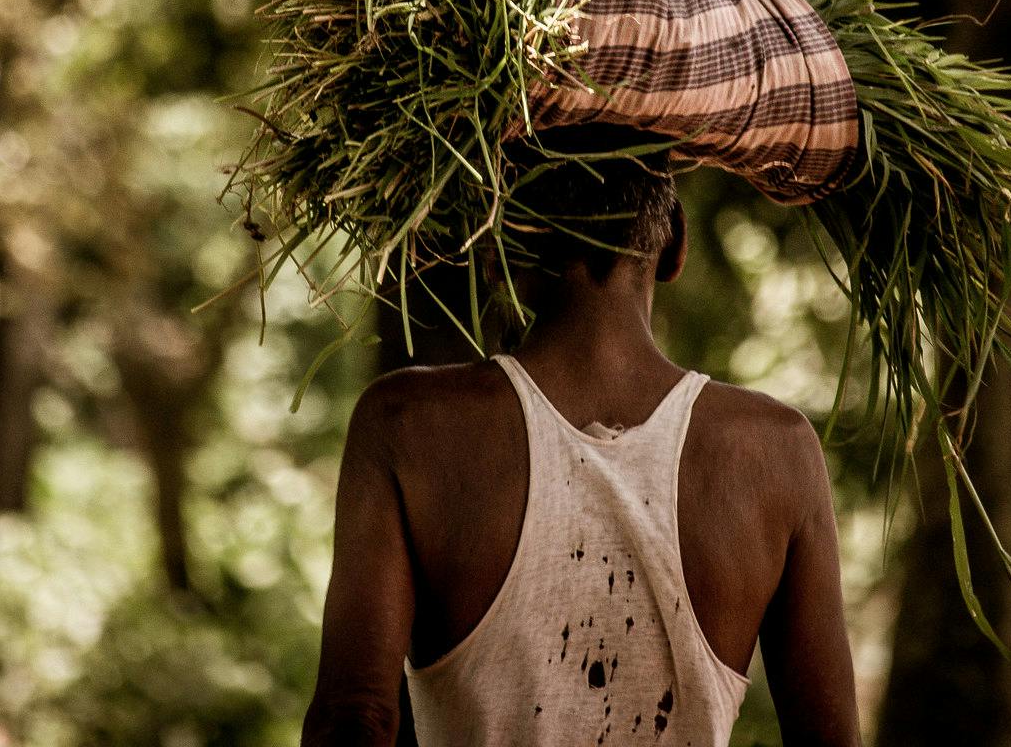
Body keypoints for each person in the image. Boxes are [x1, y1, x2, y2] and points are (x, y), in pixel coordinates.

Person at [303, 128, 860, 747]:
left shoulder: (404, 425)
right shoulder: (777, 451)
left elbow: (356, 718)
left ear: (496, 247)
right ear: (674, 242)